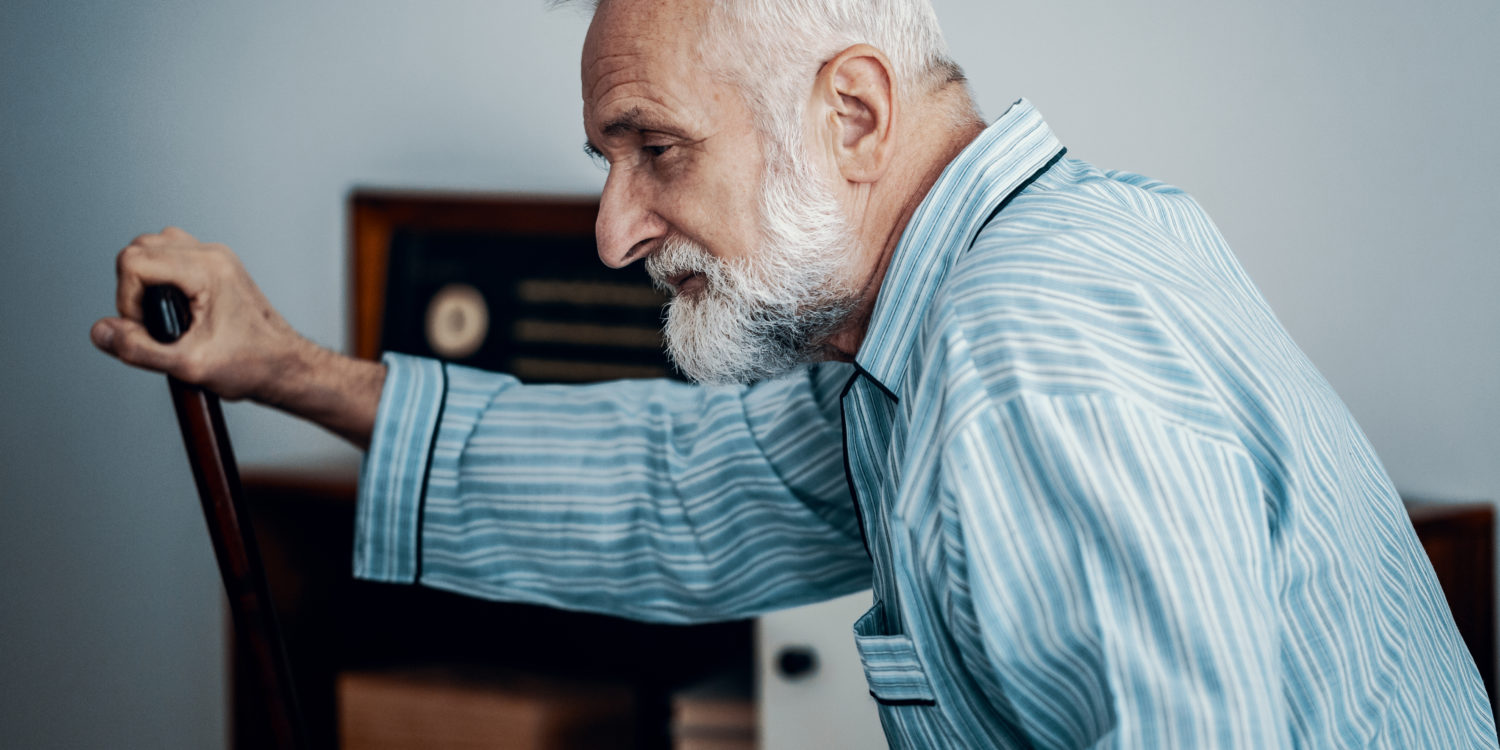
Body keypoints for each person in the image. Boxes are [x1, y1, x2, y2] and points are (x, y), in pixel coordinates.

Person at [92, 0, 1497, 747]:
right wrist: (281, 367)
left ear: (852, 115)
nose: (613, 227)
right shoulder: (933, 324)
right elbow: (670, 493)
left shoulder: (1030, 358)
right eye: (608, 161)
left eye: (656, 149)